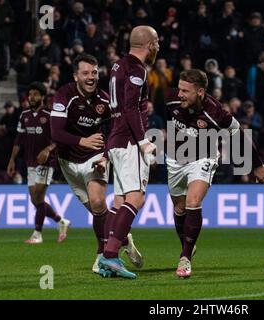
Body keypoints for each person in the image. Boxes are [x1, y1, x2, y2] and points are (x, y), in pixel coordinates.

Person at [165, 69, 264, 278]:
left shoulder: (216, 113)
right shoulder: (171, 99)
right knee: (179, 208)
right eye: (179, 89)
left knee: (193, 201)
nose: (180, 94)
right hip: (175, 158)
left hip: (203, 157)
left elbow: (239, 135)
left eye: (185, 91)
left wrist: (257, 165)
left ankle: (185, 257)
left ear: (200, 92)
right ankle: (188, 244)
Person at [50, 53, 141, 274]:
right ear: (76, 76)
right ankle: (121, 238)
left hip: (95, 156)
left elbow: (115, 131)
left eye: (94, 72)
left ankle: (102, 254)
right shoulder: (64, 95)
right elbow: (55, 132)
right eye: (85, 73)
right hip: (68, 162)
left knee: (98, 200)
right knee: (97, 212)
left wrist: (106, 156)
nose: (91, 77)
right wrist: (82, 140)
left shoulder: (104, 100)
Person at [93, 26, 160, 279]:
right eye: (158, 42)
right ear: (150, 44)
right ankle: (110, 256)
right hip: (130, 141)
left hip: (117, 140)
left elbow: (117, 110)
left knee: (119, 202)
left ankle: (105, 257)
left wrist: (108, 150)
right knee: (136, 198)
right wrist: (143, 141)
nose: (159, 47)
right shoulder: (136, 69)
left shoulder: (117, 66)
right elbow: (131, 107)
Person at [6, 82, 70, 244]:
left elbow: (60, 137)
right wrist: (12, 160)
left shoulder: (50, 114)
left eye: (35, 94)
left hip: (47, 162)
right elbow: (18, 140)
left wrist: (48, 149)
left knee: (39, 197)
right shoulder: (24, 115)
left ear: (42, 97)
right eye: (30, 94)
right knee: (35, 200)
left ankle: (37, 234)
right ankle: (60, 221)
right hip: (30, 162)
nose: (32, 97)